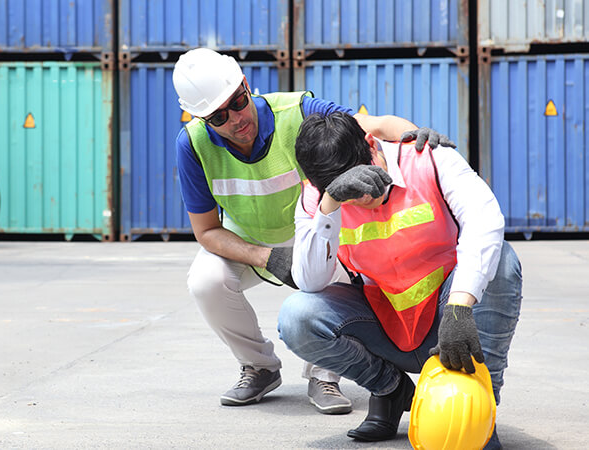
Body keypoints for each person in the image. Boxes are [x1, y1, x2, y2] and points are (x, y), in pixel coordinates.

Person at [172, 48, 455, 414]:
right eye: (218, 116)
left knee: (333, 265)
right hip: (248, 241)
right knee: (205, 281)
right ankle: (258, 366)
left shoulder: (299, 111)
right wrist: (267, 257)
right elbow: (207, 231)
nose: (235, 119)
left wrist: (414, 137)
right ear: (202, 119)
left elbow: (375, 127)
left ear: (246, 85)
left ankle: (325, 373)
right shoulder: (192, 146)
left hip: (310, 228)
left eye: (238, 101)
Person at [278, 111, 522, 449]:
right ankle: (390, 390)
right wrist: (330, 204)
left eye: (363, 182)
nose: (361, 199)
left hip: (450, 322)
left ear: (372, 145)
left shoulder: (429, 159)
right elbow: (310, 280)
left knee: (503, 261)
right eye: (349, 192)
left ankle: (481, 411)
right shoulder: (318, 198)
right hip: (387, 326)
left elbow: (485, 218)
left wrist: (460, 307)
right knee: (297, 315)